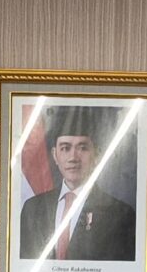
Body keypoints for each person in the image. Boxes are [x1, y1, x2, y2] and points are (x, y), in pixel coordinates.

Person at [18, 108, 138, 262]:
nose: (73, 158)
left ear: (97, 155)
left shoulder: (121, 215)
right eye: (65, 148)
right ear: (55, 155)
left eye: (82, 148)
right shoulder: (32, 209)